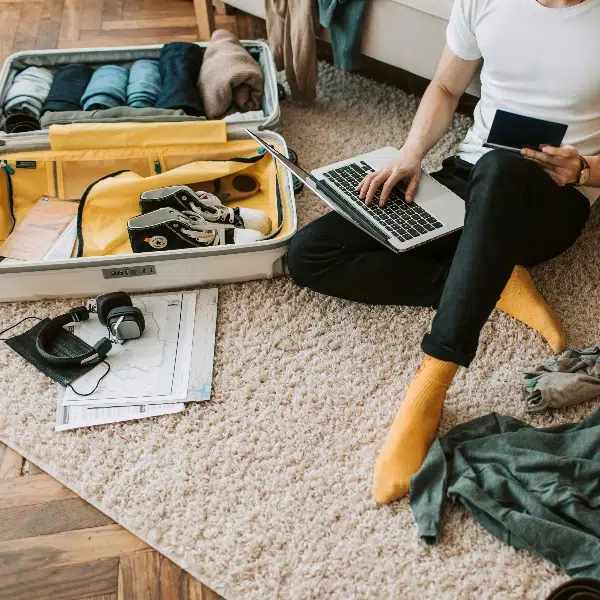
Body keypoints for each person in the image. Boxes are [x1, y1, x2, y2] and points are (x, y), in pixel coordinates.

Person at [286, 0, 600, 504]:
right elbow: (447, 86)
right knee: (309, 255)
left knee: (501, 170)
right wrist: (410, 156)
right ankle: (491, 280)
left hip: (553, 202)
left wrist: (584, 169)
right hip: (469, 175)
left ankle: (430, 385)